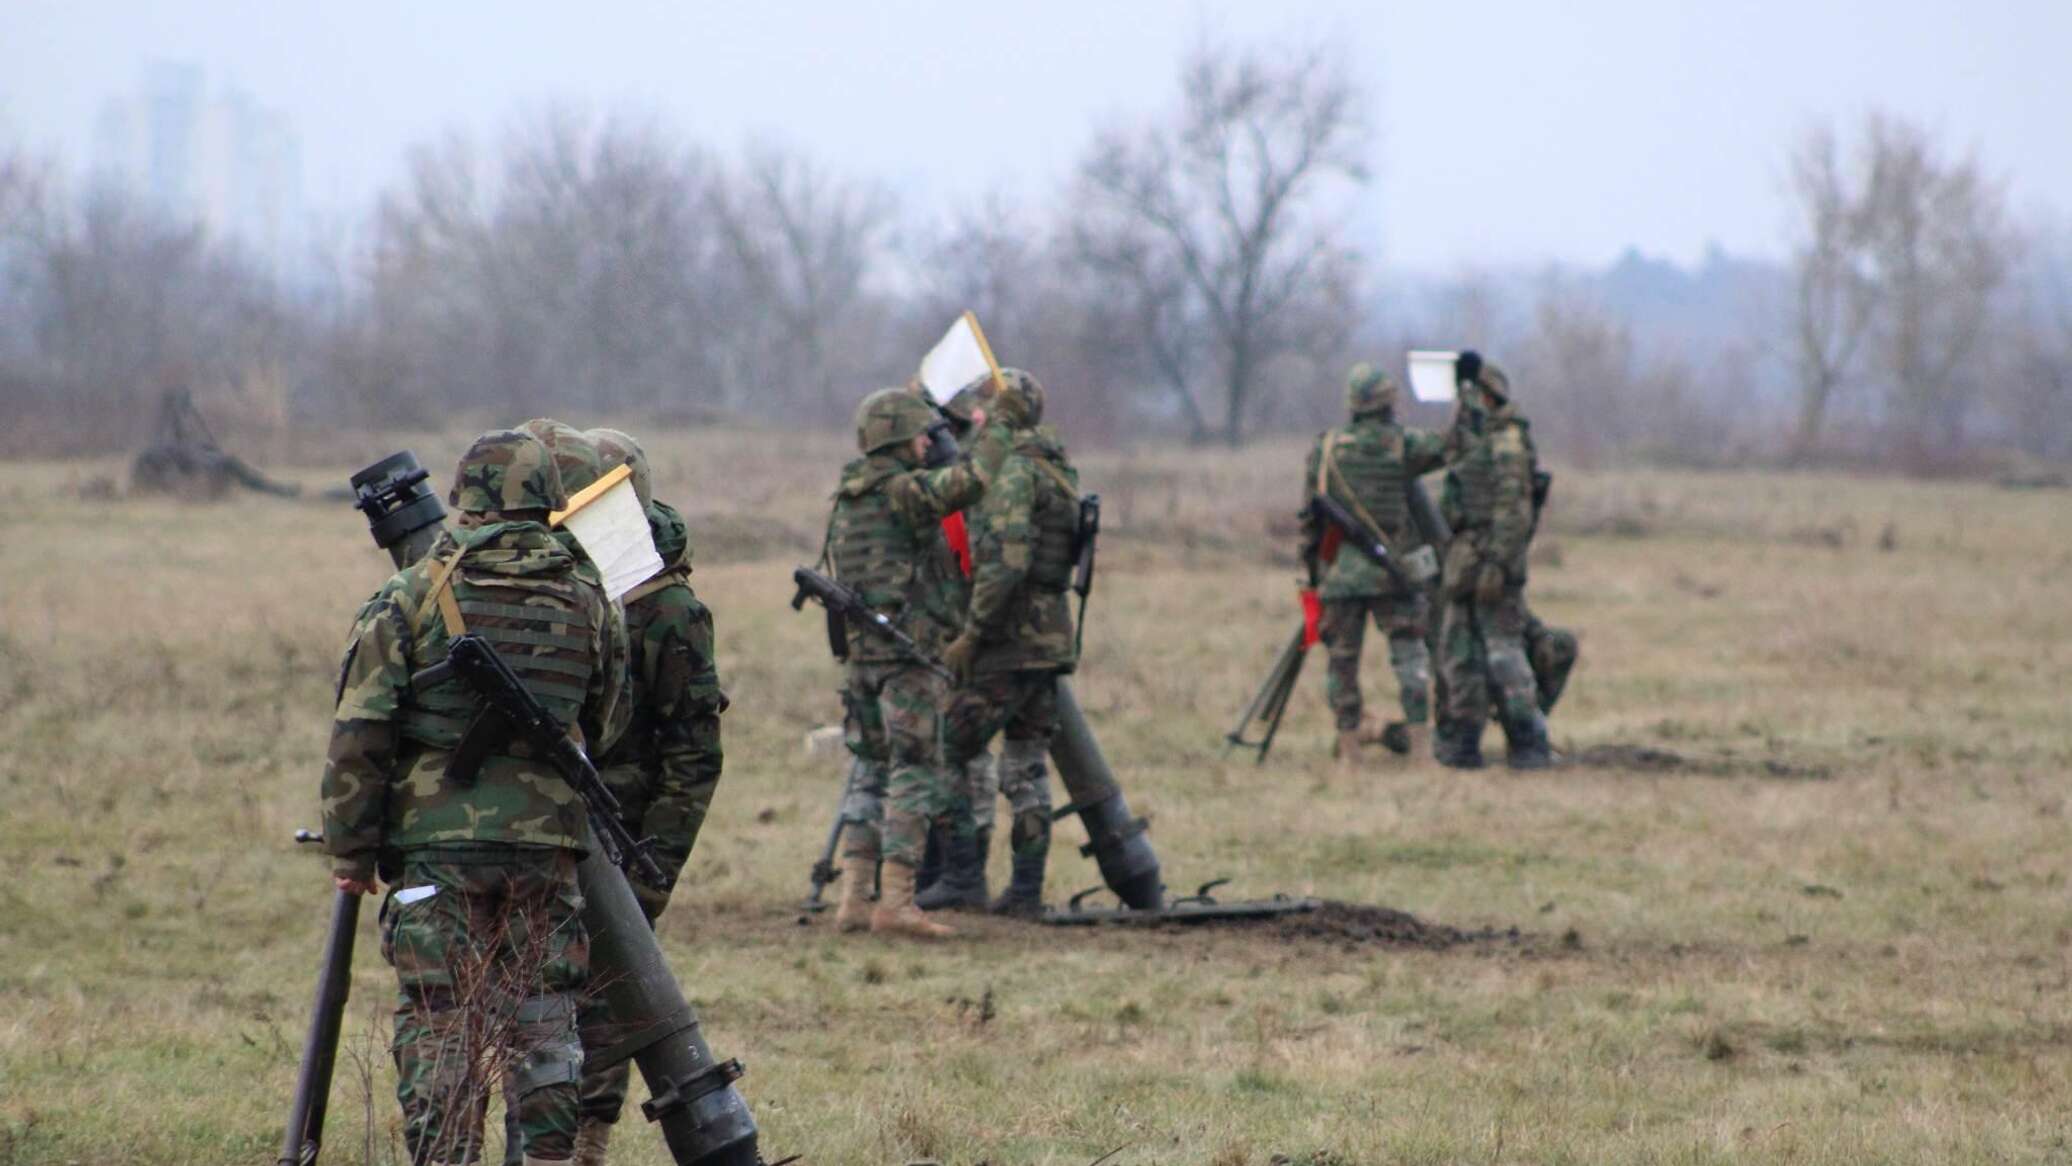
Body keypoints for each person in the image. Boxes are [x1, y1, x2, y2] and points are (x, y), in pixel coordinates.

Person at [320, 429, 628, 1166]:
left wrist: (353, 853)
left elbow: (360, 734)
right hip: (546, 852)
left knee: (440, 1018)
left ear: (465, 497)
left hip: (435, 853)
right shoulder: (591, 595)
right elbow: (608, 721)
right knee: (545, 1019)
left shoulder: (412, 592)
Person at [823, 387, 1006, 937]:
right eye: (924, 434)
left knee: (873, 770)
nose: (931, 442)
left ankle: (854, 898)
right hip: (908, 656)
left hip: (863, 658)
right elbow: (971, 483)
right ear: (901, 439)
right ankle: (897, 902)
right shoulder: (903, 492)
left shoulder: (849, 495)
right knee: (915, 771)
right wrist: (999, 427)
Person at [926, 369, 1079, 916]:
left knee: (951, 743)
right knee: (1027, 765)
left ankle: (963, 878)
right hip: (1049, 638)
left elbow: (1006, 563)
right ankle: (1025, 892)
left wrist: (972, 635)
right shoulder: (1055, 467)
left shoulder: (1013, 471)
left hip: (1007, 639)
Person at [1302, 362, 1449, 773]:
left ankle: (1351, 754)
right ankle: (1421, 752)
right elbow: (1449, 445)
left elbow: (1310, 520)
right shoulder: (1403, 445)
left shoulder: (1326, 448)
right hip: (1393, 573)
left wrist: (1313, 575)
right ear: (1387, 402)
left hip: (1341, 576)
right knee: (1410, 660)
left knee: (1342, 666)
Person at [1434, 352, 1556, 769]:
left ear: (1488, 396)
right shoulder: (1476, 438)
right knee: (1460, 655)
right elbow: (1451, 461)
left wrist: (1498, 566)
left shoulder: (1507, 444)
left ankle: (1529, 742)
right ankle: (1462, 744)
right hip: (1465, 562)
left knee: (1505, 656)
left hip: (1492, 565)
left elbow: (1514, 512)